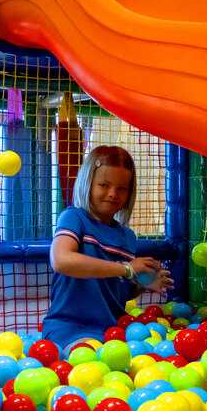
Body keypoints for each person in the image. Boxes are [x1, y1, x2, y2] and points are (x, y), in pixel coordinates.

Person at [43, 145, 172, 350]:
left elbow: (113, 290)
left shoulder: (127, 237)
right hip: (70, 327)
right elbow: (61, 260)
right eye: (104, 185)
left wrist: (140, 286)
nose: (113, 194)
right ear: (88, 183)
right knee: (89, 360)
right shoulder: (74, 218)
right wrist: (128, 268)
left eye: (122, 188)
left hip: (114, 328)